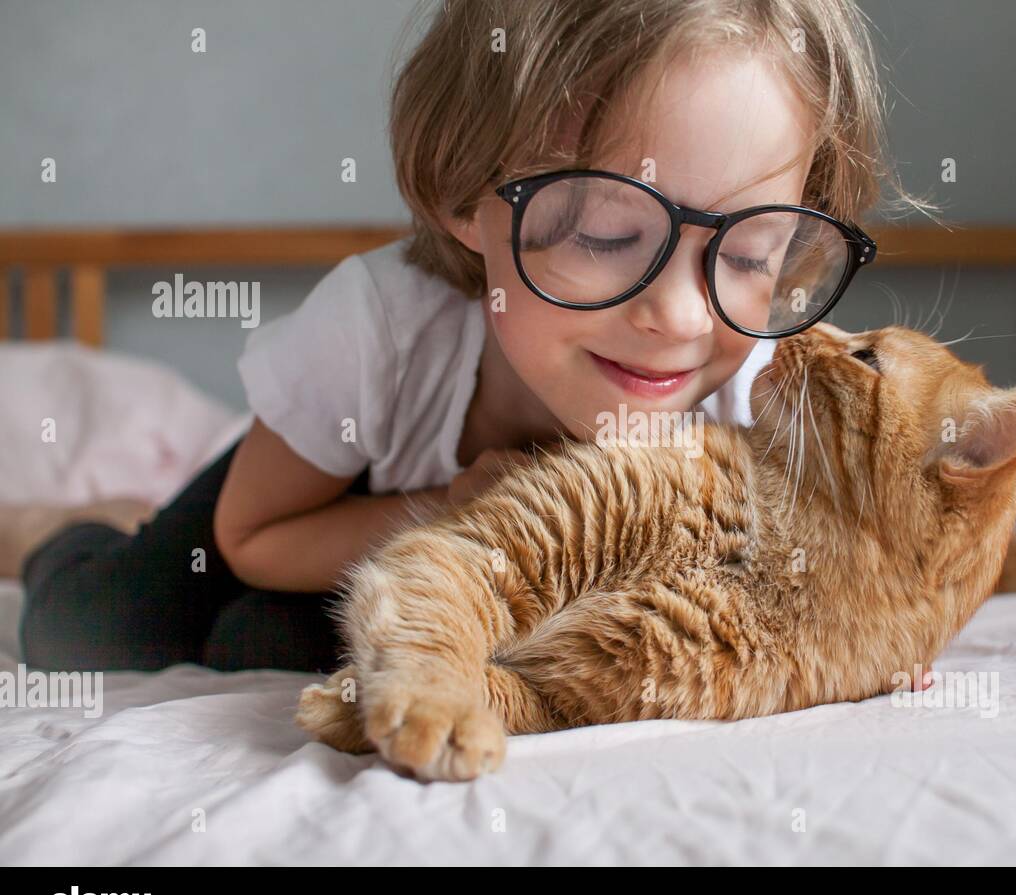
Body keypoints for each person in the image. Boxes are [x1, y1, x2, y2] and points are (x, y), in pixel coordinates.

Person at [13, 0, 915, 673]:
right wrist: (454, 508)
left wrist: (867, 628)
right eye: (604, 235)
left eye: (752, 253)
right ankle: (64, 528)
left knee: (255, 646)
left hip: (440, 574)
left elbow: (872, 546)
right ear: (462, 196)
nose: (681, 319)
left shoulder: (764, 373)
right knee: (102, 632)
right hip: (332, 497)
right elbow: (254, 541)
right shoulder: (374, 332)